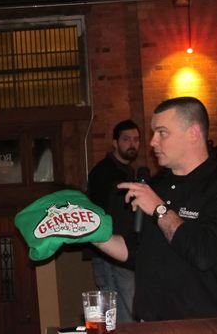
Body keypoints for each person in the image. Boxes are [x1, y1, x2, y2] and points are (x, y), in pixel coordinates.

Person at [94, 97, 217, 321]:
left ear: (193, 133)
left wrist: (159, 210)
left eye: (162, 132)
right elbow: (135, 251)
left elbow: (202, 252)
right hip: (149, 324)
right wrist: (92, 233)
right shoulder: (158, 186)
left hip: (202, 325)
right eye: (153, 133)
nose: (152, 142)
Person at [86, 119, 140, 323]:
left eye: (136, 139)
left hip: (126, 251)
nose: (132, 144)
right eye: (126, 139)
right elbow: (96, 214)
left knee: (127, 310)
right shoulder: (103, 173)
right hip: (110, 254)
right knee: (121, 314)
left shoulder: (130, 172)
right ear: (115, 143)